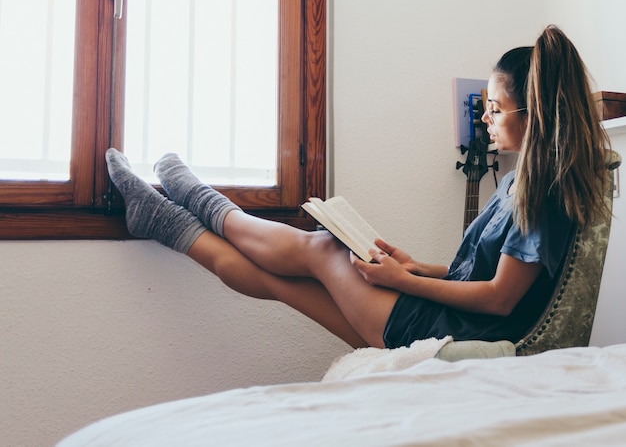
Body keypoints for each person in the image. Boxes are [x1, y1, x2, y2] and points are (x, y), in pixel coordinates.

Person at [105, 25, 611, 349]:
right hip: (449, 315)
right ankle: (165, 222)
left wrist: (402, 281)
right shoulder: (521, 182)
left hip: (460, 331)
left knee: (324, 247)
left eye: (495, 108)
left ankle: (196, 201)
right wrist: (413, 265)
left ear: (534, 114)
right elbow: (476, 274)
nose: (485, 117)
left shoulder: (542, 194)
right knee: (286, 282)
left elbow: (501, 299)